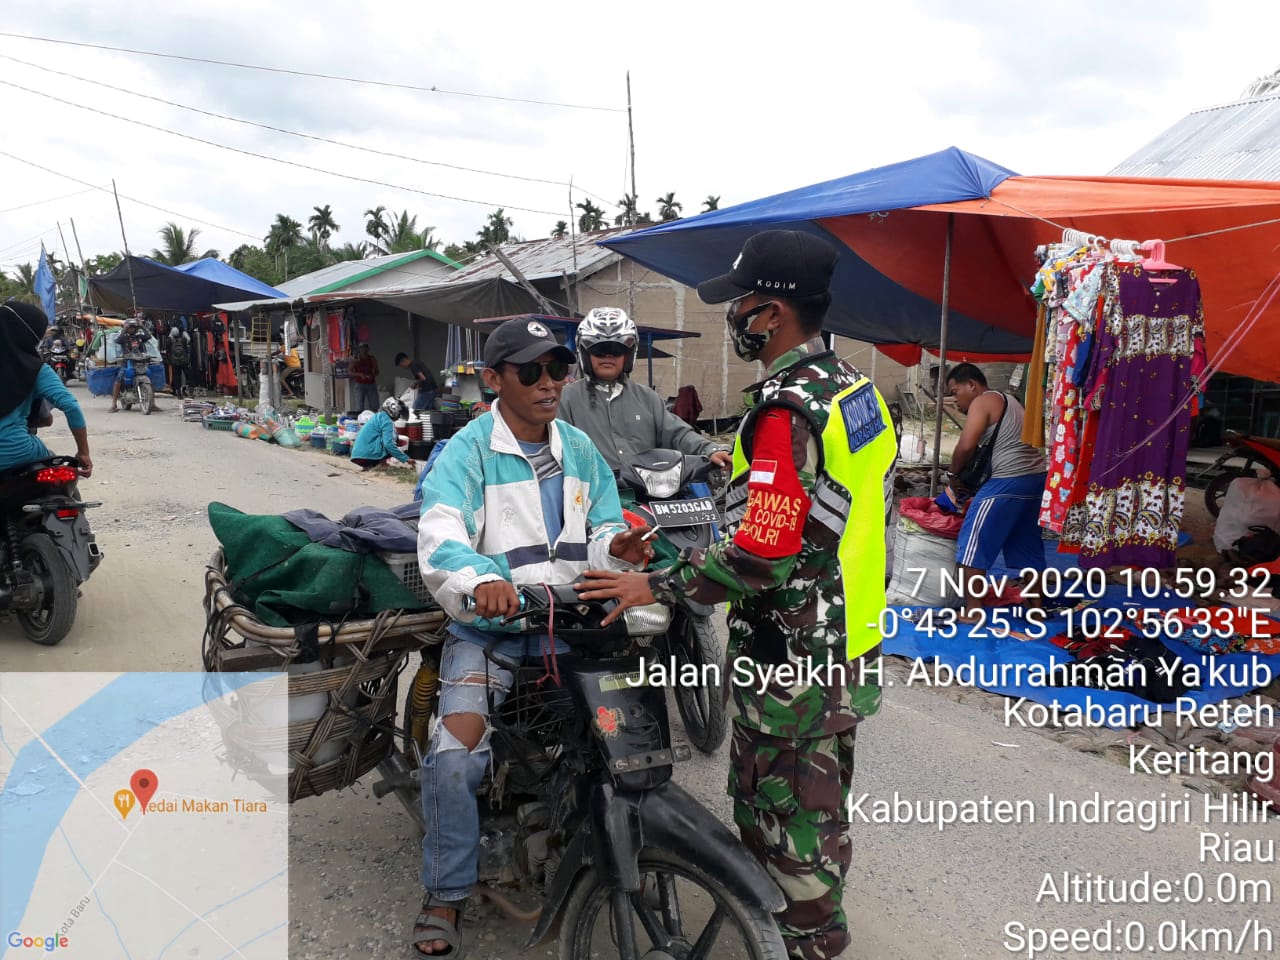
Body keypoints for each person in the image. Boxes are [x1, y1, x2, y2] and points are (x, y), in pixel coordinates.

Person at [576, 230, 897, 960]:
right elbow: (840, 514)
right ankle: (819, 928)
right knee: (821, 809)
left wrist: (652, 582)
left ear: (774, 312)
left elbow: (761, 552)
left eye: (744, 303)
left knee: (780, 817)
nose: (737, 316)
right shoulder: (855, 390)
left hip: (792, 656)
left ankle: (806, 942)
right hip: (849, 639)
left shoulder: (785, 413)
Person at [411, 317, 653, 957]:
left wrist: (618, 547)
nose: (549, 383)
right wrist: (481, 580)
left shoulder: (578, 448)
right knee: (455, 754)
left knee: (624, 739)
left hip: (571, 623)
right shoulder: (466, 452)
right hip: (491, 631)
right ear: (494, 380)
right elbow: (439, 539)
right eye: (531, 371)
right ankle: (446, 891)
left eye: (557, 369)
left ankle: (624, 851)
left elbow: (601, 528)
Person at [559, 306, 732, 473]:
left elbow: (677, 433)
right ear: (584, 353)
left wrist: (710, 449)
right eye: (599, 350)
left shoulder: (647, 397)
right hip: (592, 495)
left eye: (616, 349)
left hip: (649, 491)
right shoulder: (566, 399)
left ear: (629, 353)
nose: (608, 356)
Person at [944, 363, 1048, 618]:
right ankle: (1036, 608)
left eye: (955, 392)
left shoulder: (983, 400)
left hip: (1007, 481)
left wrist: (953, 474)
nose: (954, 400)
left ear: (972, 385)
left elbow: (966, 445)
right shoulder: (1012, 401)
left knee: (972, 544)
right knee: (1029, 548)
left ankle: (973, 611)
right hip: (1036, 481)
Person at [0, 300, 93, 477]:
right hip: (17, 451)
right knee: (57, 477)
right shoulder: (36, 368)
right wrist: (83, 453)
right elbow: (70, 406)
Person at [351, 397, 411, 471]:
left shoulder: (379, 416)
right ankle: (381, 463)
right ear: (393, 410)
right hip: (366, 456)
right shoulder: (387, 421)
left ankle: (370, 465)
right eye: (399, 414)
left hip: (358, 455)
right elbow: (388, 444)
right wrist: (406, 459)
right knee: (391, 442)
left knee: (394, 439)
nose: (399, 417)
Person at [110, 317, 156, 413]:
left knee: (150, 376)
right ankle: (113, 404)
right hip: (127, 363)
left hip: (140, 362)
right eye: (130, 327)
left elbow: (149, 336)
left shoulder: (139, 337)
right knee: (119, 380)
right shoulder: (123, 337)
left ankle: (153, 403)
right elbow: (117, 341)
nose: (132, 329)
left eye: (134, 327)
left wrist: (142, 326)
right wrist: (124, 329)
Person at [350, 343, 380, 412]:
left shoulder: (372, 359)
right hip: (360, 384)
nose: (364, 350)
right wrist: (359, 374)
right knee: (359, 406)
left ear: (368, 349)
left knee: (374, 405)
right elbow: (349, 371)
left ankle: (374, 419)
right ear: (359, 349)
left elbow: (377, 371)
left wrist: (372, 375)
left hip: (371, 383)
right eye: (362, 348)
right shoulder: (356, 359)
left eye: (365, 348)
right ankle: (360, 419)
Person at [167, 323, 192, 399]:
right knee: (188, 376)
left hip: (175, 362)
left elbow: (168, 351)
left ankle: (179, 394)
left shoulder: (169, 341)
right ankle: (190, 392)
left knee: (177, 377)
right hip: (184, 361)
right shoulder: (183, 340)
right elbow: (186, 349)